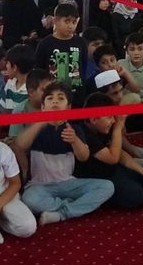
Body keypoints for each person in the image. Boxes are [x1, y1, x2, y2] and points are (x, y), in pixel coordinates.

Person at [12, 82, 114, 225]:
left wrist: (75, 141)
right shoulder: (35, 128)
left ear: (68, 107)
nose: (55, 101)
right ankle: (73, 206)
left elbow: (84, 157)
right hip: (40, 185)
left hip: (68, 183)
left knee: (107, 187)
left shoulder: (75, 129)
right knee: (29, 199)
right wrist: (40, 122)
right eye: (50, 98)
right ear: (43, 107)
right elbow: (19, 145)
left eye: (60, 98)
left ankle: (61, 214)